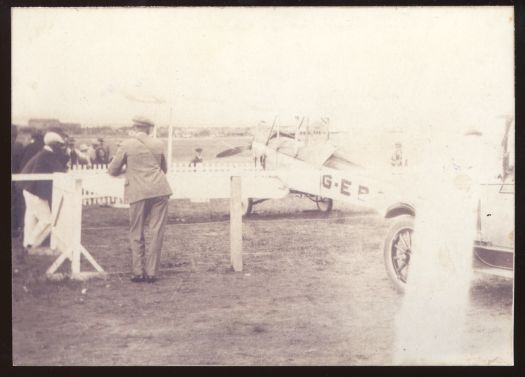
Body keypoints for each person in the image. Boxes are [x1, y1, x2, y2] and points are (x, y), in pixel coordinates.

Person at [108, 116, 172, 283]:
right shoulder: (159, 144)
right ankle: (152, 273)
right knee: (156, 232)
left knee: (136, 231)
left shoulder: (126, 144)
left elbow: (112, 170)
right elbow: (164, 169)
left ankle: (138, 272)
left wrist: (128, 169)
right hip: (160, 189)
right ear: (149, 129)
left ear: (135, 128)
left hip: (137, 192)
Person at [20, 131, 69, 254]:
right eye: (60, 145)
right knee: (47, 220)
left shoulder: (44, 153)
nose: (61, 147)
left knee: (31, 219)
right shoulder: (47, 155)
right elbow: (61, 170)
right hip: (34, 191)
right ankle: (31, 245)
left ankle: (27, 244)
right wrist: (66, 154)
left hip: (28, 189)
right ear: (54, 144)